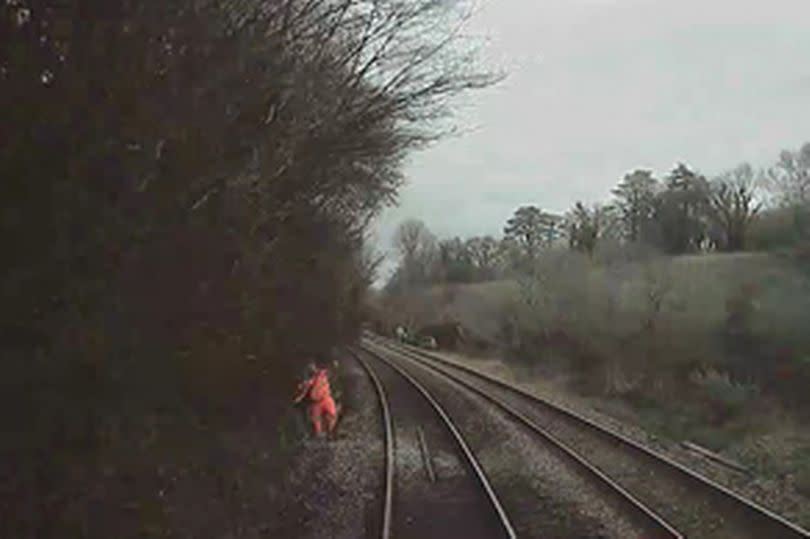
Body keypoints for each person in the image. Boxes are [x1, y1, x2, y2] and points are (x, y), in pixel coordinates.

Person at [293, 362, 338, 438]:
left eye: (314, 367)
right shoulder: (308, 381)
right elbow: (304, 390)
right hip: (315, 403)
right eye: (311, 368)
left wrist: (334, 364)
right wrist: (298, 398)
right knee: (316, 422)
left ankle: (332, 433)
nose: (313, 369)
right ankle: (319, 436)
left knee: (331, 415)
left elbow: (331, 370)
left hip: (326, 399)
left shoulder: (323, 374)